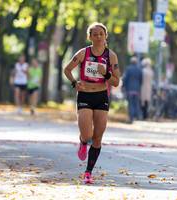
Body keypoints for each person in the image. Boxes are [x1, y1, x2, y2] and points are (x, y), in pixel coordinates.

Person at [64, 22, 120, 184]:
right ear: (90, 37)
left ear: (105, 36)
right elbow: (67, 69)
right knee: (87, 135)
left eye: (101, 34)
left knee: (97, 138)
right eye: (94, 34)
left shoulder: (111, 56)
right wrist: (75, 83)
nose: (98, 37)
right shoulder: (83, 53)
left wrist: (107, 74)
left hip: (101, 96)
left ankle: (88, 172)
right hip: (85, 96)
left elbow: (116, 82)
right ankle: (82, 142)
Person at [122, 56, 143, 123]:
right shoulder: (139, 69)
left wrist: (123, 86)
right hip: (136, 89)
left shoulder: (128, 69)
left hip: (130, 89)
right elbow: (141, 79)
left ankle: (131, 118)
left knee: (130, 103)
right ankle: (136, 116)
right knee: (136, 103)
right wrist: (139, 87)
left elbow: (125, 78)